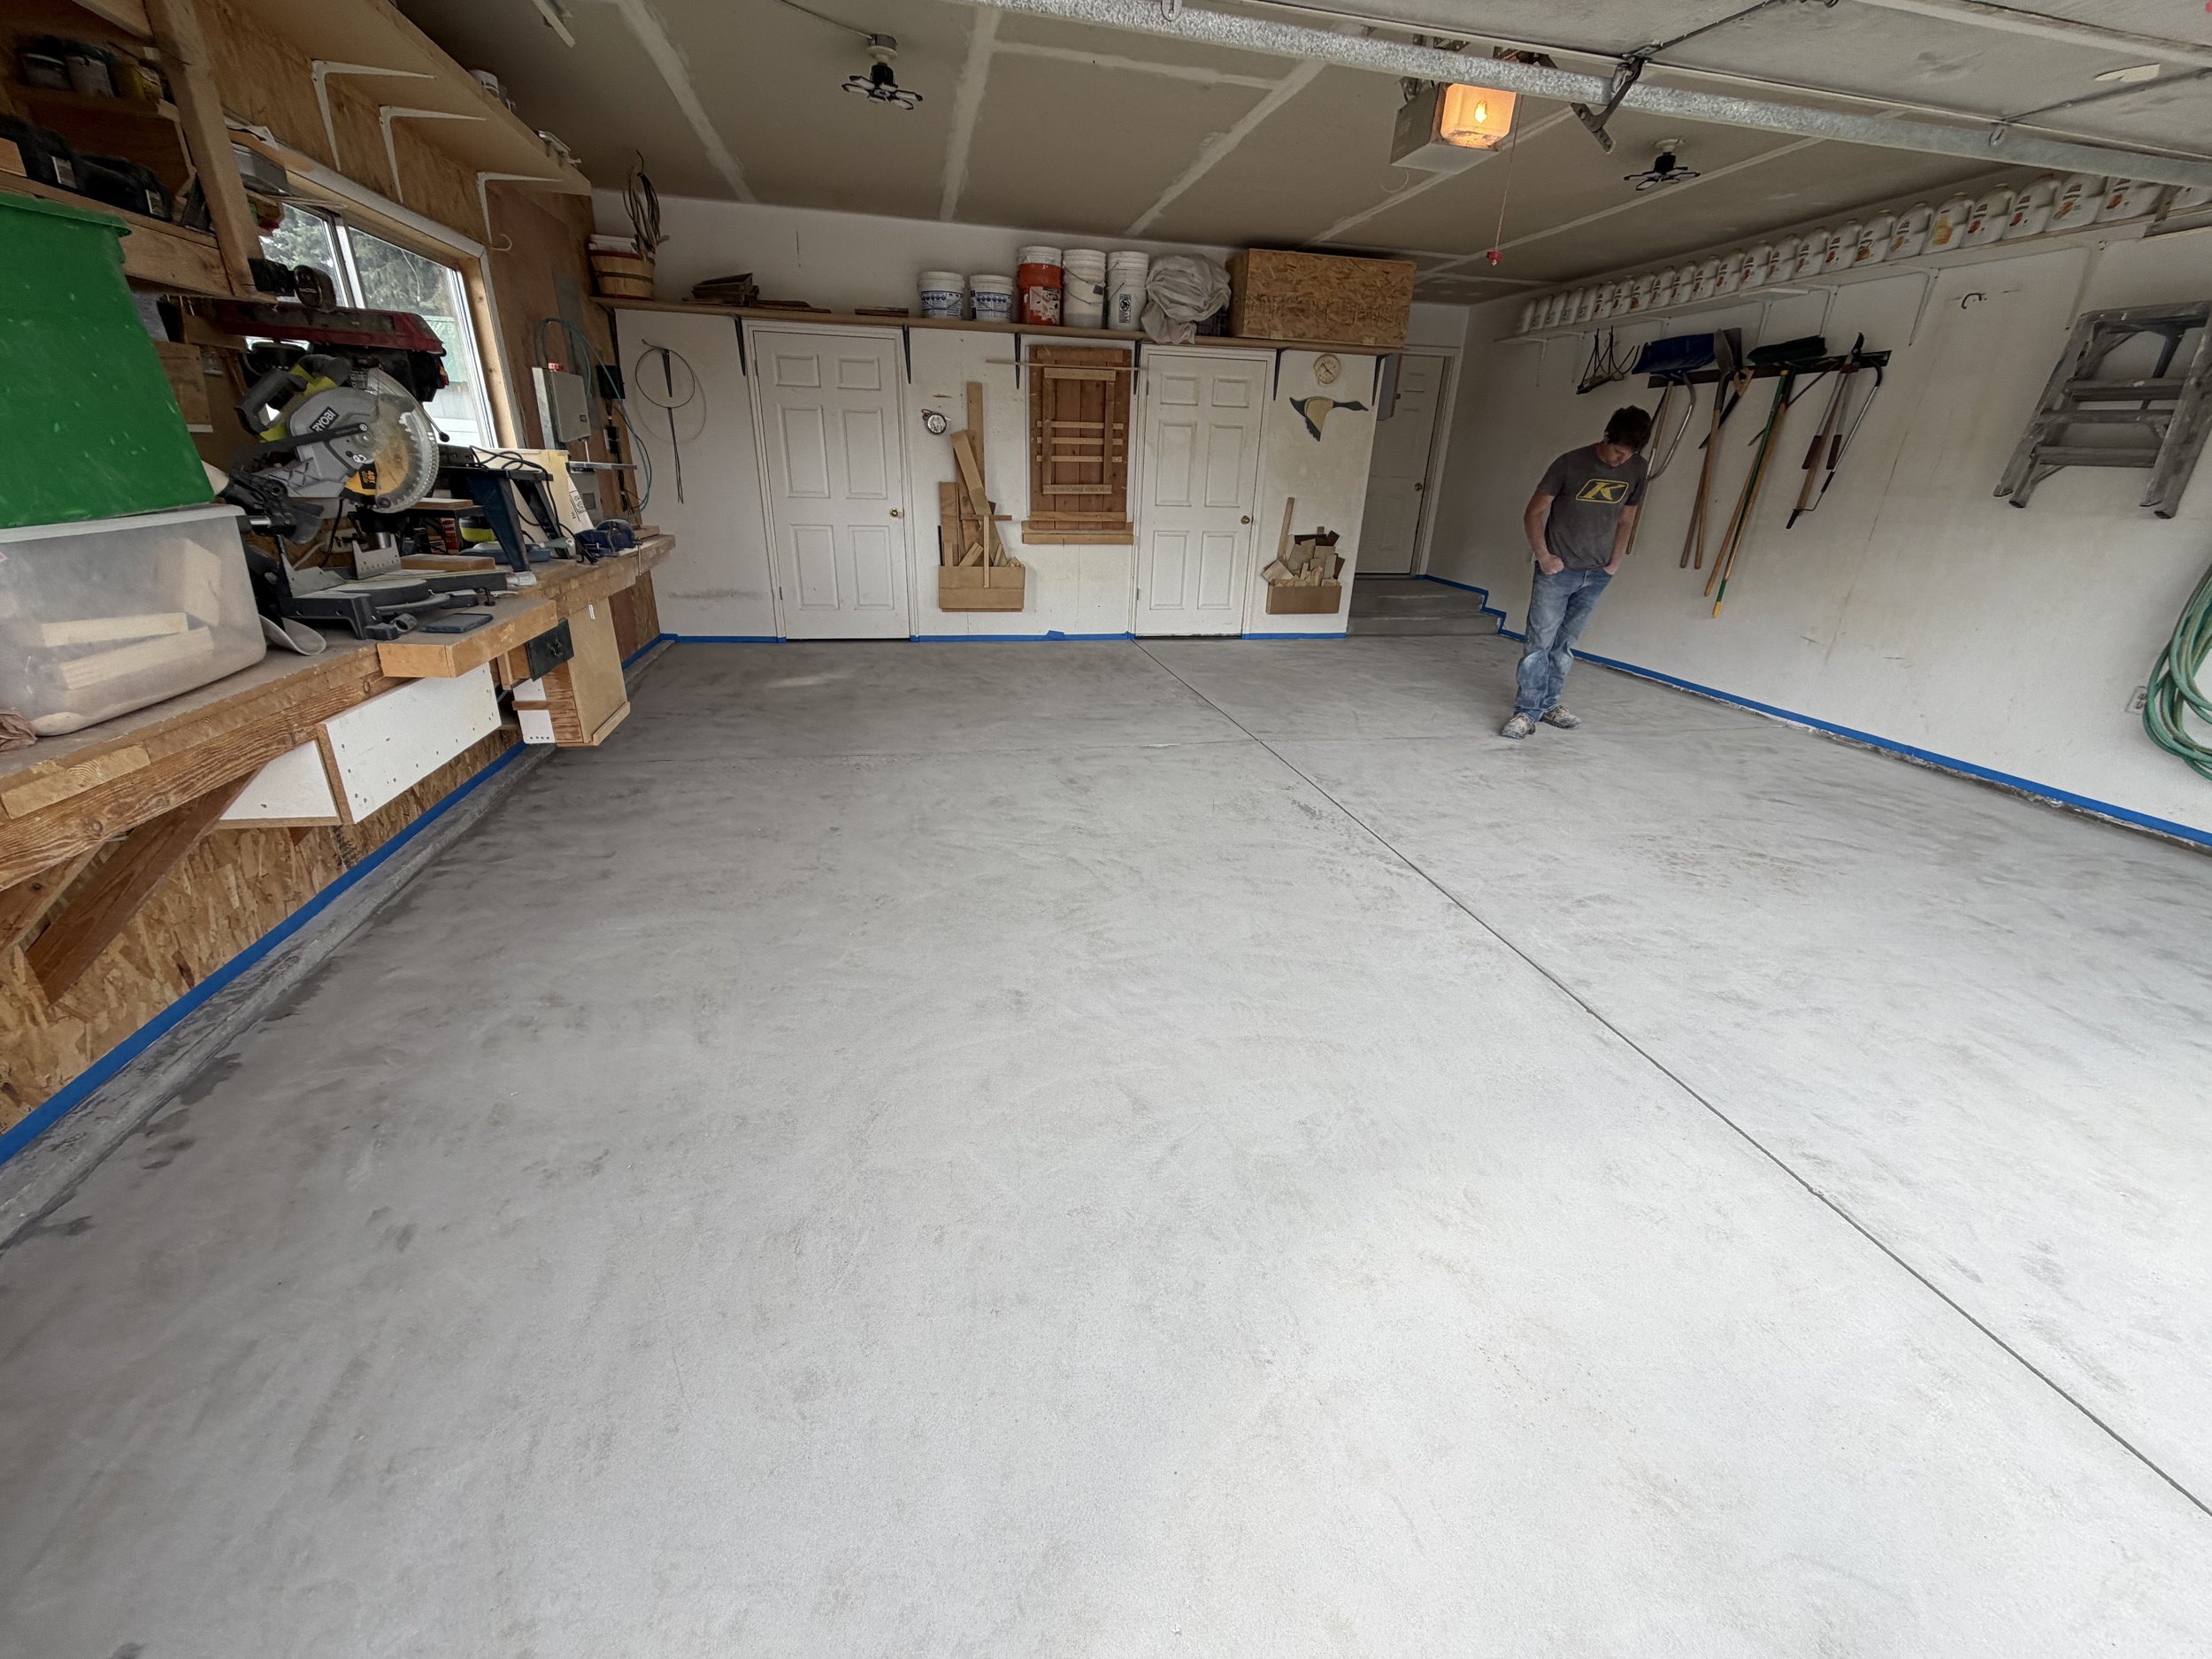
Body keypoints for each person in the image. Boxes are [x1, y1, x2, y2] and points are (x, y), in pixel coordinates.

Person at [1502, 405, 1654, 740]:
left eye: (1628, 455)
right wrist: (1544, 557)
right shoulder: (1569, 463)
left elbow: (1627, 518)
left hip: (1597, 573)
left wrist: (1614, 562)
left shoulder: (1637, 468)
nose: (1620, 461)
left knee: (1565, 643)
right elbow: (1533, 513)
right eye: (1617, 452)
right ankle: (1527, 712)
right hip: (1559, 571)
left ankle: (1550, 704)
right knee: (1539, 642)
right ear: (1607, 437)